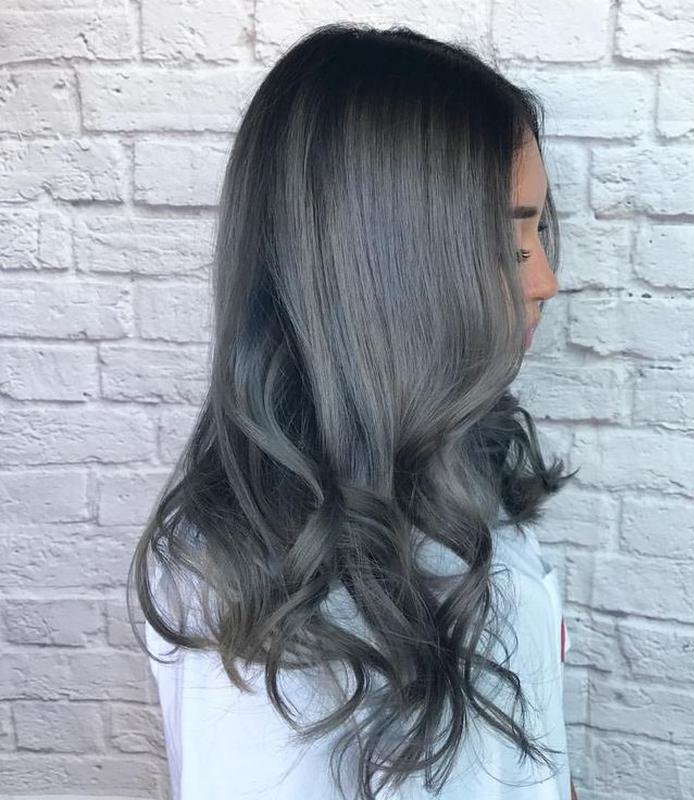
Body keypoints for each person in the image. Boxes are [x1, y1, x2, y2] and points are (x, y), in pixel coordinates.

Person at [128, 21, 579, 800]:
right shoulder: (255, 589)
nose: (545, 281)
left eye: (539, 233)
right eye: (510, 245)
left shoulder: (464, 460)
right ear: (385, 260)